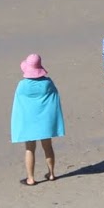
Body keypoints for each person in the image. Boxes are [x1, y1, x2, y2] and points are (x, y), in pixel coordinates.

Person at [11, 54, 65, 185]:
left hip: (29, 121)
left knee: (30, 149)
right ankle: (51, 173)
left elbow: (19, 105)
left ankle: (31, 178)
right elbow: (54, 99)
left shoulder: (22, 85)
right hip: (45, 120)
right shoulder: (48, 83)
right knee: (48, 147)